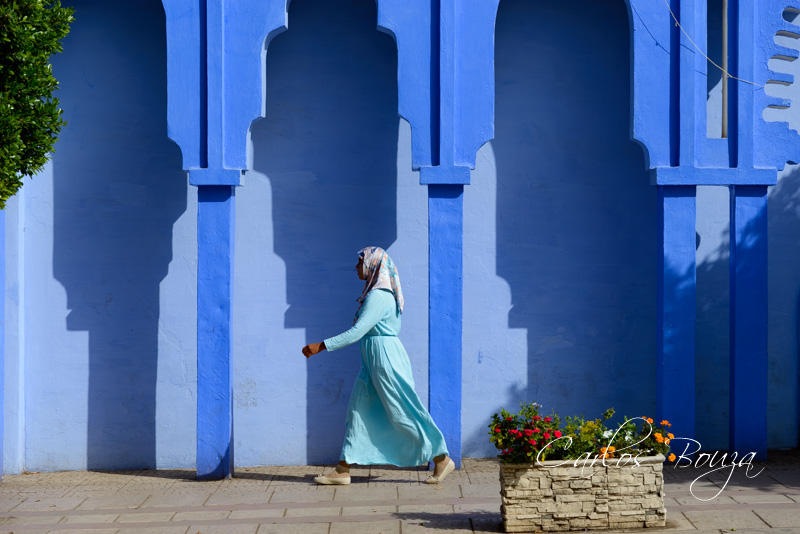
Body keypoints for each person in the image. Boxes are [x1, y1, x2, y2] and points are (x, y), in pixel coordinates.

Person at [302, 246, 455, 485]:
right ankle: (342, 470)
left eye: (360, 262)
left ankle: (441, 457)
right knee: (357, 411)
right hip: (373, 360)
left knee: (401, 410)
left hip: (385, 359)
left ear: (373, 264)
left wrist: (321, 346)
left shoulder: (379, 296)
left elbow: (358, 331)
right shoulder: (377, 294)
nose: (356, 267)